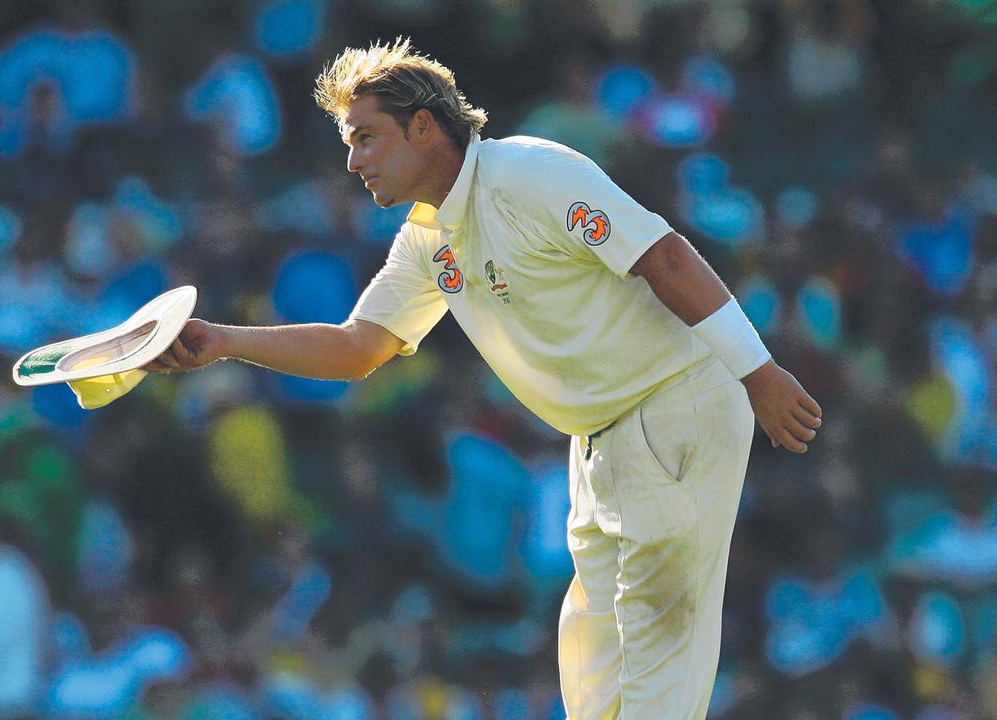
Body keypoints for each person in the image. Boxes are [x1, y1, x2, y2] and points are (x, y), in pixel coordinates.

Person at [145, 38, 822, 720]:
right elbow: (358, 348)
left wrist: (757, 370)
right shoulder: (427, 238)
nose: (354, 161)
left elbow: (665, 256)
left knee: (655, 635)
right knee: (590, 653)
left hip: (677, 401)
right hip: (598, 438)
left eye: (366, 138)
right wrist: (224, 342)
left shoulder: (527, 172)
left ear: (422, 127)